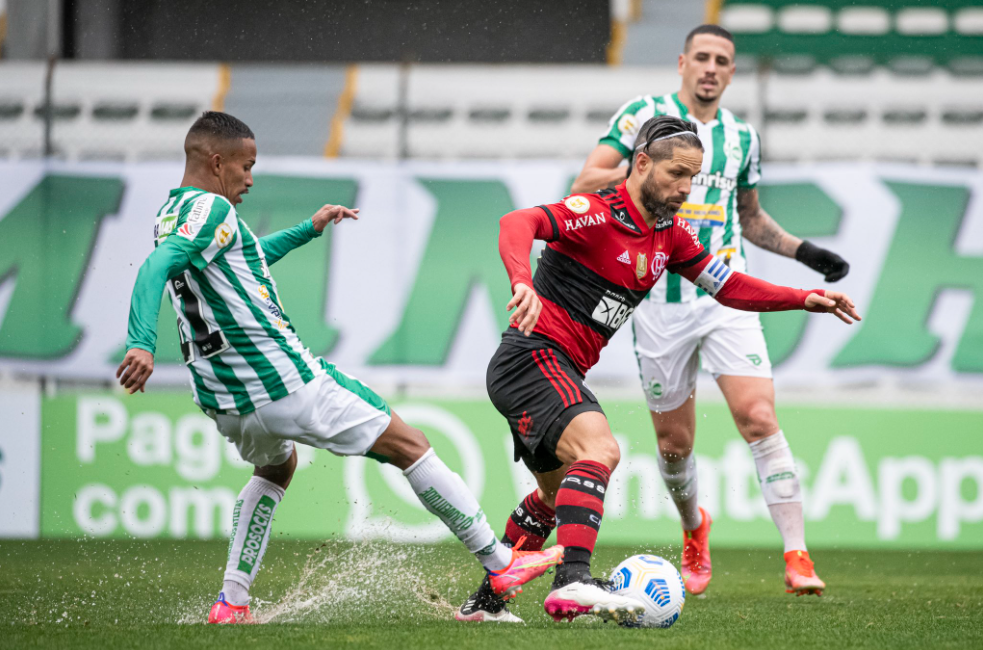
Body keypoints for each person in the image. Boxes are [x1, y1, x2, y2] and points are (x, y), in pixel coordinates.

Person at [115, 111, 563, 625]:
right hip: (280, 377)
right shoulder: (212, 208)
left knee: (275, 467)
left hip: (224, 398)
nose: (250, 179)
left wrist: (308, 229)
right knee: (410, 445)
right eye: (246, 166)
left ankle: (231, 604)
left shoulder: (170, 213)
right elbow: (156, 268)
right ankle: (500, 562)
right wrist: (141, 343)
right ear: (217, 162)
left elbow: (244, 260)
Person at [455, 114, 860, 624]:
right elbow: (517, 223)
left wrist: (803, 297)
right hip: (532, 356)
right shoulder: (597, 212)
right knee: (600, 449)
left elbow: (728, 286)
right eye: (676, 175)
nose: (686, 188)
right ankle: (574, 581)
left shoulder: (670, 236)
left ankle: (486, 604)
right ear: (642, 163)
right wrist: (522, 281)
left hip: (548, 368)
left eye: (693, 177)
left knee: (555, 498)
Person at [570, 24, 849, 597]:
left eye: (722, 60)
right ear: (682, 62)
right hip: (656, 304)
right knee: (675, 445)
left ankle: (797, 555)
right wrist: (647, 170)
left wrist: (806, 253)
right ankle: (694, 526)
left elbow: (748, 218)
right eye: (702, 57)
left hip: (724, 296)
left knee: (759, 418)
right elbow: (586, 180)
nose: (711, 68)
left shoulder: (742, 137)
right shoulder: (642, 115)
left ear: (731, 71)